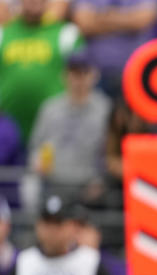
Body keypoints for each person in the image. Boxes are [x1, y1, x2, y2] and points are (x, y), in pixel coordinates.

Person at [28, 50, 111, 206]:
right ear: (64, 75)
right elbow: (36, 145)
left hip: (90, 186)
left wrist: (101, 180)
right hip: (54, 183)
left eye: (84, 72)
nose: (78, 79)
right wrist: (37, 161)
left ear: (94, 75)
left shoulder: (105, 110)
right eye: (74, 72)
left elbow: (110, 151)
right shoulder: (50, 109)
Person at [0, 0, 83, 141]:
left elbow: (82, 75)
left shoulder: (66, 34)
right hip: (7, 128)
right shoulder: (3, 34)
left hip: (53, 127)